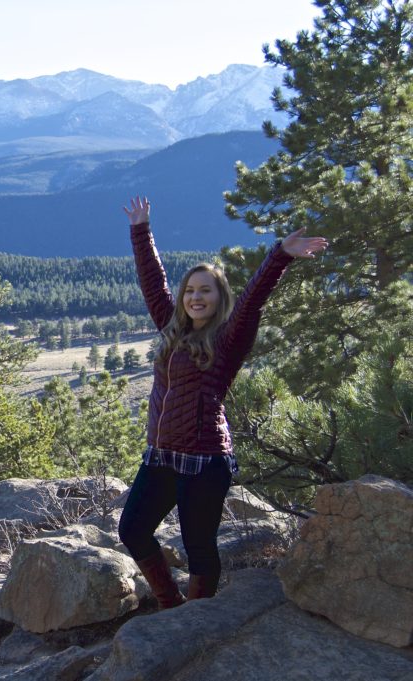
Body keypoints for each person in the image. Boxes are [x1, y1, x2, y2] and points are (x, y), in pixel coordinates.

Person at [118, 196, 327, 607]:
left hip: (204, 461)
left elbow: (253, 300)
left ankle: (198, 620)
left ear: (218, 297)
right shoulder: (172, 327)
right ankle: (171, 605)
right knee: (133, 529)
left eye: (205, 291)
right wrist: (141, 231)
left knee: (200, 547)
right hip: (160, 457)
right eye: (190, 291)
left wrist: (279, 256)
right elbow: (153, 282)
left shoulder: (229, 339)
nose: (196, 297)